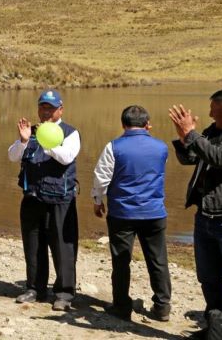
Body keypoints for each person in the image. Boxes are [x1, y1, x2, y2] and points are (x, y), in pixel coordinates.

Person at [92, 105, 171, 322]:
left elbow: (101, 177)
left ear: (123, 124)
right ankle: (162, 307)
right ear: (148, 124)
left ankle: (122, 306)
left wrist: (98, 200)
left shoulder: (113, 147)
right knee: (158, 260)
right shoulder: (161, 147)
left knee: (121, 261)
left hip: (122, 213)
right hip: (154, 212)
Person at [8, 89, 81, 311]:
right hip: (32, 199)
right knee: (33, 246)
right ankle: (34, 289)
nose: (46, 111)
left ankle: (64, 294)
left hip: (60, 200)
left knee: (63, 248)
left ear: (61, 109)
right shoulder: (31, 132)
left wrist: (47, 142)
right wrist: (23, 141)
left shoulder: (70, 133)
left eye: (50, 108)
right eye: (42, 107)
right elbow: (12, 155)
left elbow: (67, 156)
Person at [170, 89, 222, 333]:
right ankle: (216, 327)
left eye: (214, 108)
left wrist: (191, 134)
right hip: (204, 217)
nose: (209, 112)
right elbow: (192, 157)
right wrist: (184, 138)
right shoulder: (211, 132)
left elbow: (220, 158)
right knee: (208, 277)